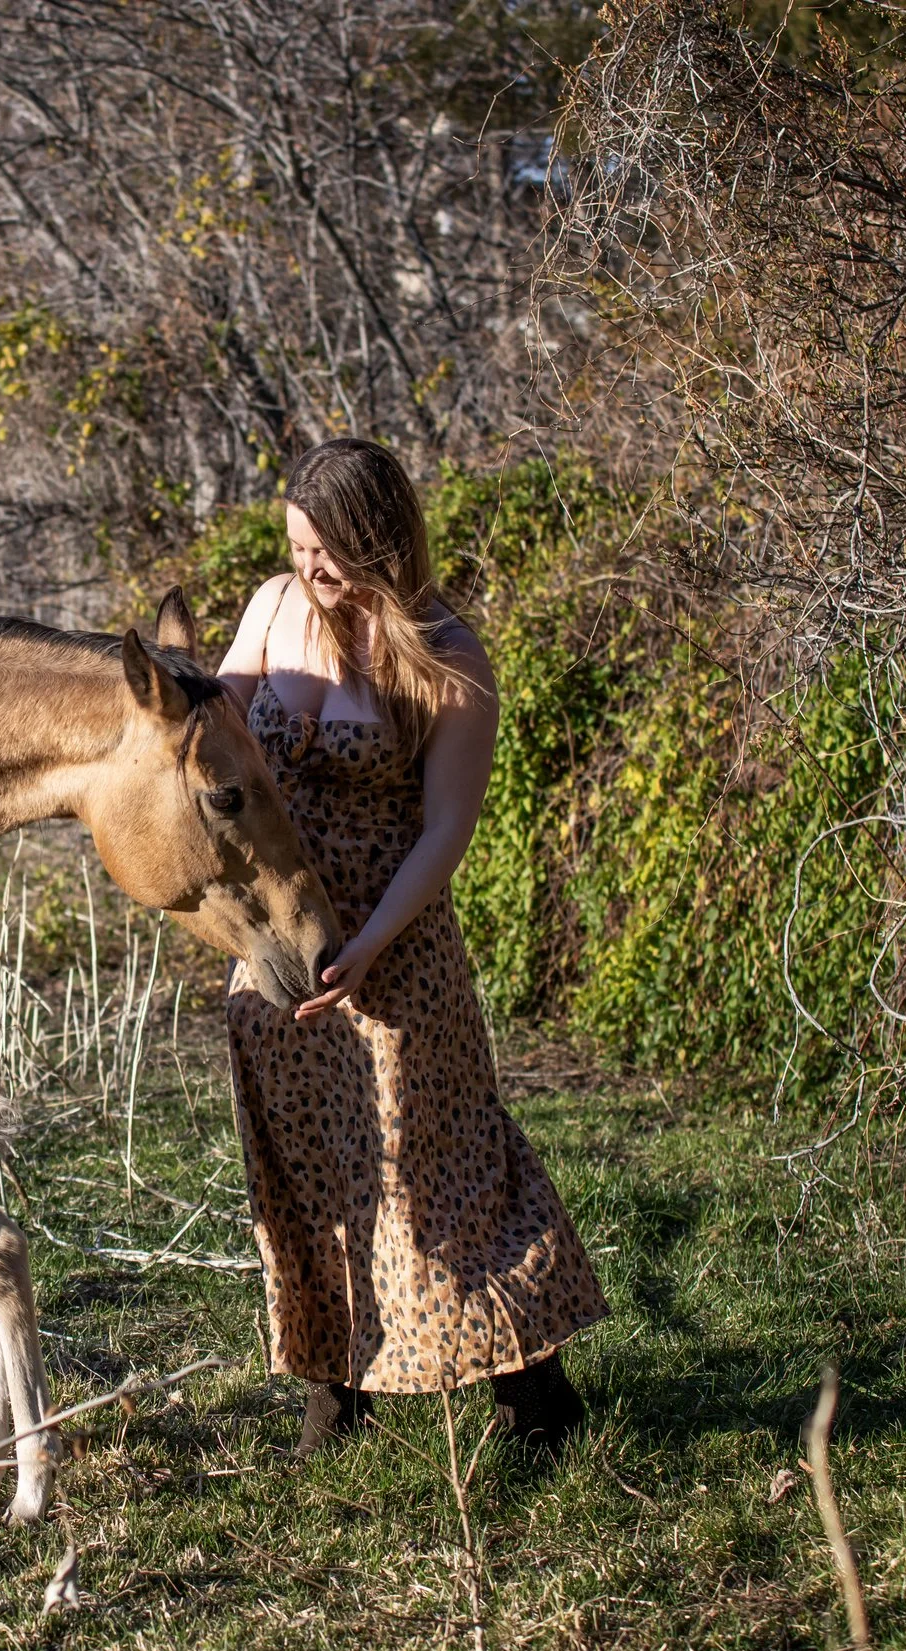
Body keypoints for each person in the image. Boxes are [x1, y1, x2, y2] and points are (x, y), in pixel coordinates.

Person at [216, 437, 610, 1455]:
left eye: (329, 551)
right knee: (300, 1166)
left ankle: (534, 1395)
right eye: (297, 546)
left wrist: (372, 946)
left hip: (393, 947)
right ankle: (330, 1393)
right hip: (277, 942)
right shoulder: (270, 611)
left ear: (381, 541)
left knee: (428, 1169)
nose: (311, 569)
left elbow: (446, 831)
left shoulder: (445, 657)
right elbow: (207, 735)